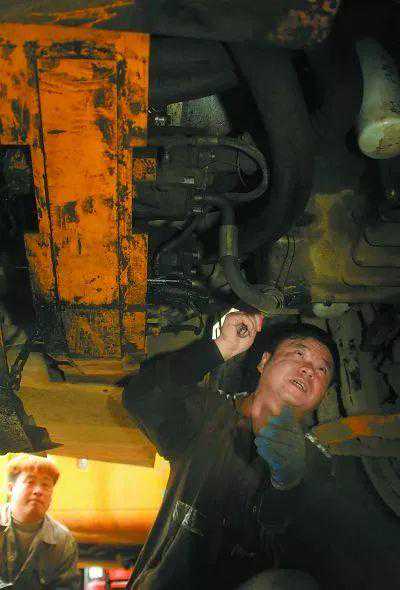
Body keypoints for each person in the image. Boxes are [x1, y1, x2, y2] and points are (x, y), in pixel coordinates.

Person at [122, 311, 339, 590]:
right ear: (264, 362)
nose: (309, 369)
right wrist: (218, 349)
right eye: (299, 354)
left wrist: (287, 486)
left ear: (323, 396)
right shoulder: (208, 416)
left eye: (322, 370)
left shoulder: (318, 468)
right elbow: (141, 396)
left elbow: (301, 558)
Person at [0, 453, 80, 589]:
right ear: (11, 488)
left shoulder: (63, 541)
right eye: (30, 482)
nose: (38, 491)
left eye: (46, 485)